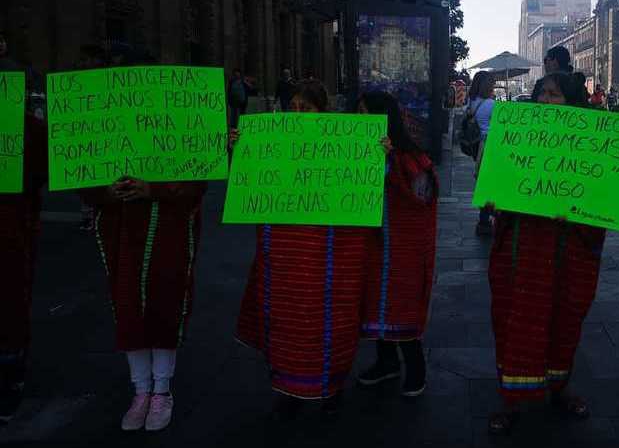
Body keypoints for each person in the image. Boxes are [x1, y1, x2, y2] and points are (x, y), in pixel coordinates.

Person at [235, 81, 374, 416]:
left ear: (321, 111)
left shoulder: (340, 143)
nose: (297, 113)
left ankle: (330, 385)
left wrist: (376, 153)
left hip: (327, 256)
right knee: (287, 319)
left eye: (305, 108)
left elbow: (363, 186)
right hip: (286, 257)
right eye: (292, 106)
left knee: (327, 320)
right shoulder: (273, 141)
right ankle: (289, 386)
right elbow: (254, 183)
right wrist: (241, 148)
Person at [486, 71, 606, 436]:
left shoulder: (593, 142)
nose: (544, 101)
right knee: (514, 321)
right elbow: (493, 190)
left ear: (571, 101)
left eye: (554, 94)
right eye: (541, 94)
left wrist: (578, 209)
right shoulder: (514, 135)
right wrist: (493, 197)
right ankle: (510, 400)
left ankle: (560, 388)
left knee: (564, 321)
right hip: (522, 250)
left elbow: (604, 200)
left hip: (570, 251)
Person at [81, 174, 206, 431]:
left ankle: (161, 391)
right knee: (128, 306)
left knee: (166, 300)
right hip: (121, 225)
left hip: (169, 222)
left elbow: (200, 175)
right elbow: (78, 170)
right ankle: (141, 391)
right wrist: (106, 191)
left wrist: (155, 188)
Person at [356, 91, 438, 398]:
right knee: (377, 305)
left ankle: (416, 369)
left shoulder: (411, 156)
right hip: (373, 248)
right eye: (359, 113)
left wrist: (393, 162)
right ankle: (386, 363)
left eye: (367, 113)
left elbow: (422, 197)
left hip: (404, 252)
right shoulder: (353, 151)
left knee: (401, 308)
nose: (361, 120)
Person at [0, 111, 47, 424]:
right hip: (13, 225)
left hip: (11, 226)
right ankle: (9, 374)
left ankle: (9, 373)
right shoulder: (25, 120)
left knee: (9, 299)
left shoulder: (22, 121)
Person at [467, 71, 496, 236]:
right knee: (489, 183)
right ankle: (486, 219)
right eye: (491, 83)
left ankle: (484, 219)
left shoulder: (473, 102)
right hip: (489, 146)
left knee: (483, 181)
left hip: (478, 146)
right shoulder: (490, 104)